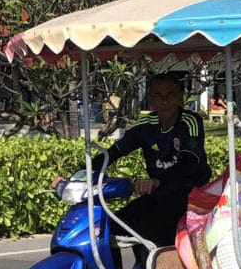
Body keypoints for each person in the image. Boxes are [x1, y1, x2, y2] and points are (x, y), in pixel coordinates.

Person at [85, 73, 211, 258]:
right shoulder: (145, 124)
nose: (164, 101)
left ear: (180, 98)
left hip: (189, 194)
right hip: (159, 194)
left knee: (145, 230)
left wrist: (156, 180)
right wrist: (80, 173)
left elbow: (188, 163)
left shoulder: (190, 121)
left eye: (170, 94)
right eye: (158, 95)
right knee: (107, 227)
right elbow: (114, 152)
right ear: (151, 100)